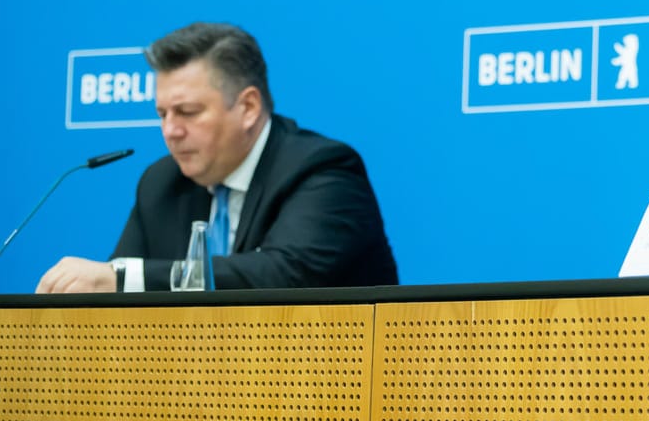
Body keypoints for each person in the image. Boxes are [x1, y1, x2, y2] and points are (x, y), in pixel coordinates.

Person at [37, 22, 399, 292]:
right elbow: (118, 300)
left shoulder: (322, 170)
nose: (171, 131)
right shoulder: (161, 183)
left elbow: (283, 275)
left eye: (189, 112)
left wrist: (122, 277)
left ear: (248, 107)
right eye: (162, 114)